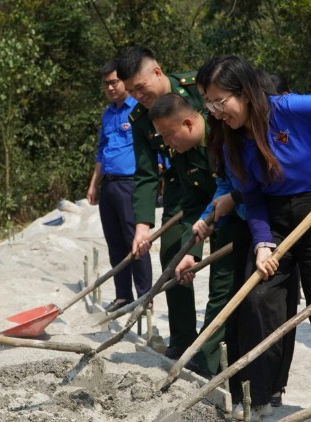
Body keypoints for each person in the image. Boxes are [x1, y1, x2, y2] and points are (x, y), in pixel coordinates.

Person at [202, 55, 311, 420]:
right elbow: (252, 197)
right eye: (208, 104)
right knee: (259, 300)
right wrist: (261, 243)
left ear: (243, 91)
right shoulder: (230, 142)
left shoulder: (290, 107)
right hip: (272, 219)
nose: (215, 112)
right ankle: (256, 396)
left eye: (219, 101)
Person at [117, 46, 223, 375]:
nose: (137, 96)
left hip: (224, 174)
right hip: (184, 188)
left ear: (158, 73)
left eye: (140, 87)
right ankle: (182, 338)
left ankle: (212, 352)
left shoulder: (198, 88)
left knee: (224, 265)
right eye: (130, 91)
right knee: (175, 255)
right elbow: (147, 174)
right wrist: (142, 226)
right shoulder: (139, 119)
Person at [86, 60, 152, 313]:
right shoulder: (108, 114)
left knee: (135, 241)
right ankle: (123, 294)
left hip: (131, 183)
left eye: (115, 82)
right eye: (106, 84)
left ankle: (145, 296)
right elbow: (101, 152)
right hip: (110, 185)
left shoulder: (138, 109)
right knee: (115, 242)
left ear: (124, 81)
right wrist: (94, 185)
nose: (111, 88)